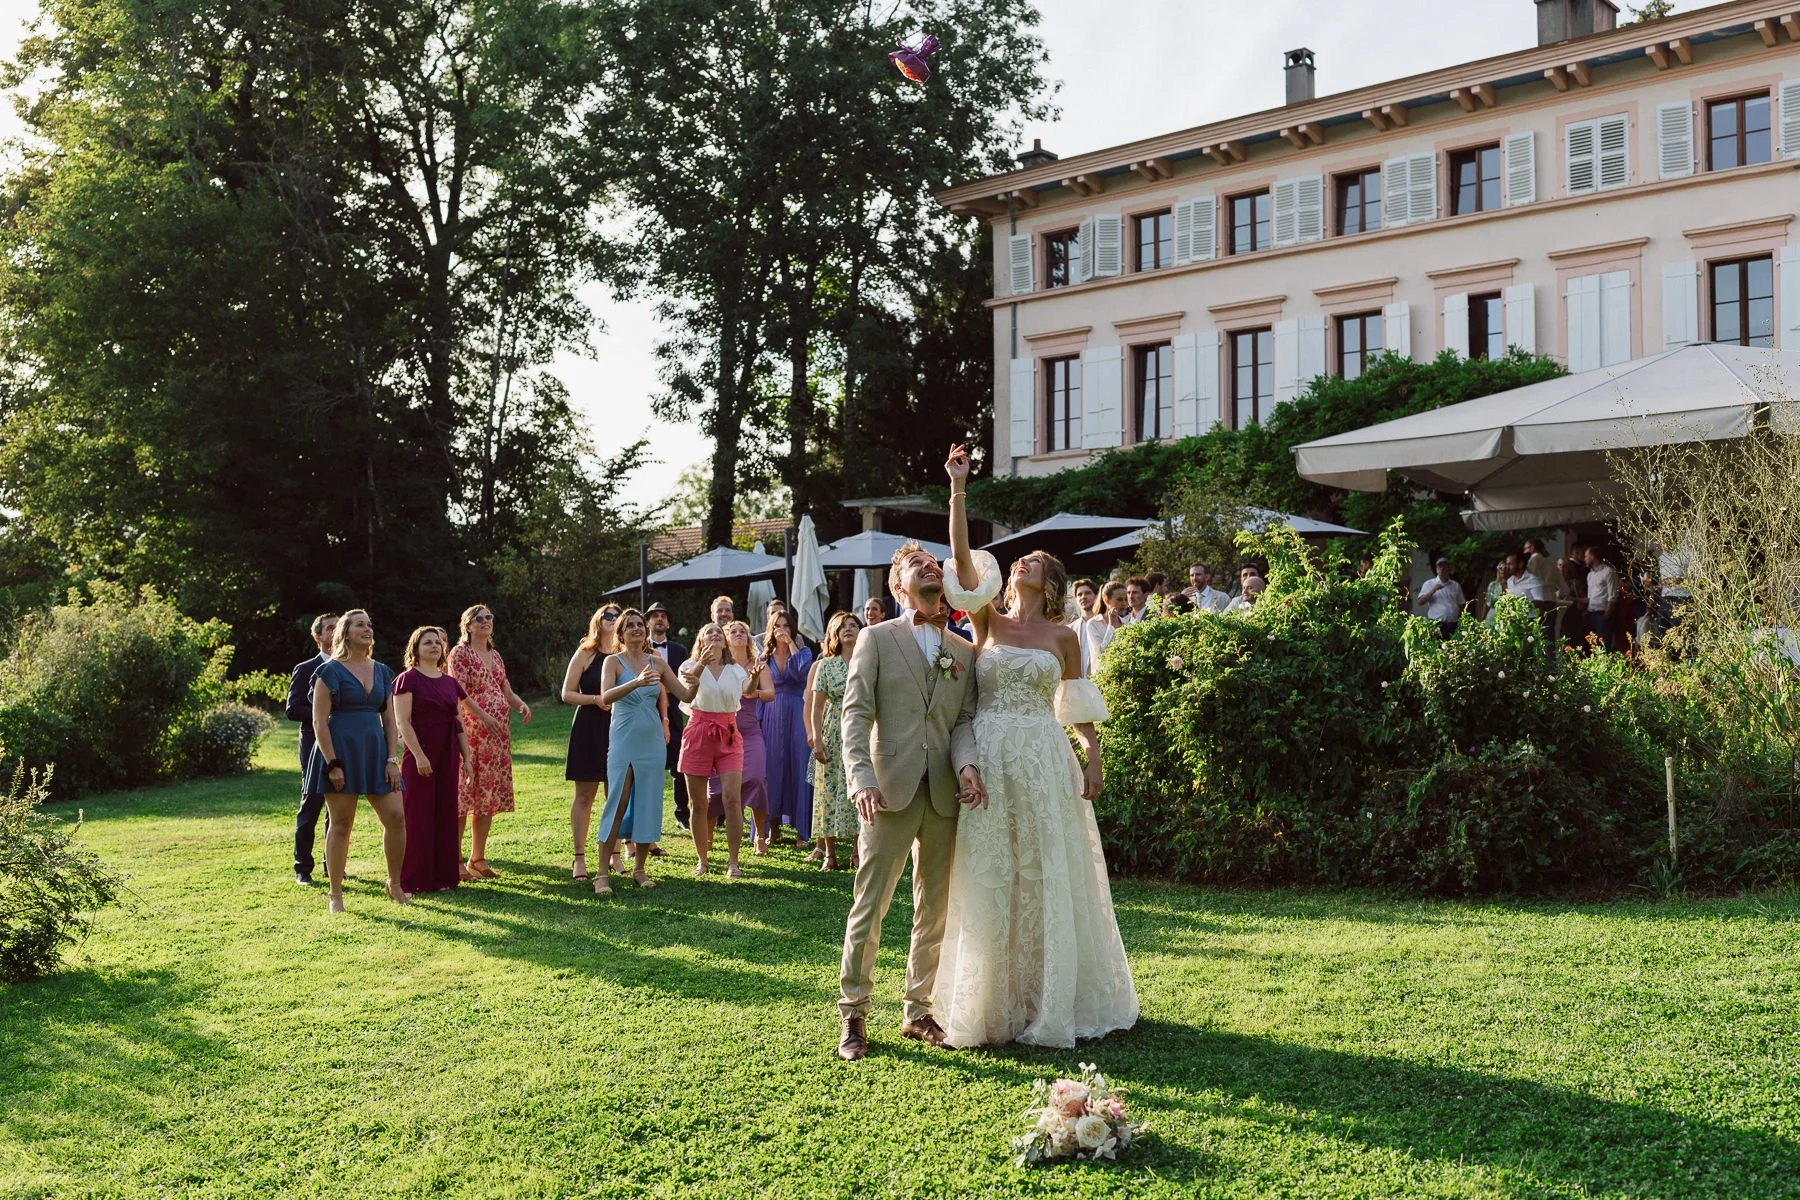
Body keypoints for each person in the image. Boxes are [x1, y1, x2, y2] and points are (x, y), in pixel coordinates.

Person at [937, 443, 1138, 1049]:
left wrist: (1094, 757)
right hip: (992, 755)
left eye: (1031, 562)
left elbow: (1075, 708)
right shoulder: (987, 622)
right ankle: (996, 998)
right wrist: (958, 489)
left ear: (1050, 583)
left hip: (1047, 759)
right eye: (1018, 559)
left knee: (1047, 871)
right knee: (994, 871)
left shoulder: (1063, 637)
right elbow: (964, 563)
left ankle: (1052, 996)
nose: (1019, 562)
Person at [835, 537, 985, 1062]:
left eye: (932, 564)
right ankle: (853, 1014)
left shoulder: (964, 650)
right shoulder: (875, 638)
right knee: (870, 905)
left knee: (934, 909)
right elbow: (854, 716)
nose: (929, 568)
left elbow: (963, 721)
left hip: (944, 794)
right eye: (917, 565)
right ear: (899, 586)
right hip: (886, 791)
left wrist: (967, 766)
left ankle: (918, 1010)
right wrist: (860, 779)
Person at [304, 610, 406, 913]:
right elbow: (319, 721)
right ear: (345, 632)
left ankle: (395, 884)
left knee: (396, 817)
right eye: (360, 624)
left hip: (375, 753)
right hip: (340, 753)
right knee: (342, 823)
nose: (367, 629)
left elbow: (389, 719)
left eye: (370, 624)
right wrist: (332, 763)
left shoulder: (383, 671)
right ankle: (335, 894)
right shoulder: (330, 671)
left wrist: (392, 759)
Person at [594, 608, 695, 895]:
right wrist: (636, 682)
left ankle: (639, 869)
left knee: (648, 802)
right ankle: (601, 873)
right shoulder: (612, 662)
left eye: (640, 625)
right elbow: (605, 696)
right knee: (618, 802)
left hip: (652, 741)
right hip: (624, 739)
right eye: (631, 626)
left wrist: (697, 678)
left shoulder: (657, 662)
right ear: (622, 633)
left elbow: (685, 695)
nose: (638, 629)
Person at [394, 626, 474, 896]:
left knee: (445, 813)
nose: (434, 646)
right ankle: (415, 879)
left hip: (448, 751)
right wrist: (418, 755)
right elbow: (403, 722)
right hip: (420, 753)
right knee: (418, 816)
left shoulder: (450, 682)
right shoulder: (408, 679)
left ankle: (444, 878)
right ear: (415, 649)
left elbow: (459, 720)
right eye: (427, 642)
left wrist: (467, 758)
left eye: (437, 642)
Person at [449, 605, 526, 881]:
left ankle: (477, 858)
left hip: (497, 737)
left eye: (489, 617)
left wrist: (520, 705)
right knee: (465, 795)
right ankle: (455, 860)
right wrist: (483, 716)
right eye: (479, 619)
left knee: (487, 796)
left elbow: (505, 689)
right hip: (471, 733)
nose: (485, 622)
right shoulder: (460, 653)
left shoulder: (495, 655)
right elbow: (457, 693)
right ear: (468, 626)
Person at [698, 620, 774, 867]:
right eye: (733, 631)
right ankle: (707, 837)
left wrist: (754, 692)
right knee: (715, 788)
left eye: (743, 631)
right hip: (718, 731)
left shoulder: (756, 665)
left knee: (756, 779)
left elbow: (770, 693)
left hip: (749, 731)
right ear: (725, 639)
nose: (739, 634)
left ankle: (760, 835)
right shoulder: (721, 666)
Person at [561, 605, 618, 881]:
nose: (613, 619)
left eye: (617, 615)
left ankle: (615, 855)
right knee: (585, 795)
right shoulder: (585, 653)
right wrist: (595, 699)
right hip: (588, 726)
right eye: (608, 615)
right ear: (597, 620)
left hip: (619, 728)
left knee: (616, 795)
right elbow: (566, 693)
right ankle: (579, 858)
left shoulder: (624, 656)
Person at [806, 612, 863, 872]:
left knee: (861, 787)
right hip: (833, 731)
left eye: (854, 625)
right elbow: (816, 707)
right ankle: (829, 853)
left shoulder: (868, 661)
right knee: (828, 790)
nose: (849, 629)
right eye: (843, 626)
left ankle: (857, 851)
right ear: (835, 633)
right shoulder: (826, 665)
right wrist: (817, 738)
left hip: (862, 730)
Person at [285, 612, 337, 885]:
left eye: (339, 626)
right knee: (312, 805)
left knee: (339, 809)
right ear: (318, 637)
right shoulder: (306, 668)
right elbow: (293, 710)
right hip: (314, 745)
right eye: (330, 628)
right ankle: (303, 868)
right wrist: (324, 714)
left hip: (344, 744)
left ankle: (334, 866)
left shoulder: (350, 667)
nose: (336, 630)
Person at [760, 608, 815, 852]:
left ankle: (803, 831)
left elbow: (804, 672)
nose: (781, 629)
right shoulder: (764, 657)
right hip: (771, 714)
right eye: (777, 625)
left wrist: (791, 644)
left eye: (786, 625)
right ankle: (772, 829)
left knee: (799, 768)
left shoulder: (802, 651)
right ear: (771, 630)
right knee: (772, 771)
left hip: (796, 712)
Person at [646, 602, 691, 830]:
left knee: (679, 765)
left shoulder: (679, 650)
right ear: (648, 622)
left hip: (673, 712)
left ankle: (682, 813)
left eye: (663, 616)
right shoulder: (638, 648)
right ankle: (647, 815)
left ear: (669, 622)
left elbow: (683, 682)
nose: (659, 620)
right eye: (655, 616)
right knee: (647, 766)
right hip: (644, 712)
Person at [1082, 580, 1129, 665]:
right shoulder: (1093, 624)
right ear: (1107, 600)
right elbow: (1100, 654)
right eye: (1119, 600)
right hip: (1103, 676)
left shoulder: (1127, 623)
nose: (1124, 604)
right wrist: (1111, 626)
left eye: (1126, 599)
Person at [1418, 558, 1465, 638]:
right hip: (1437, 624)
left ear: (1449, 569)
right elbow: (1420, 602)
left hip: (1453, 624)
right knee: (1437, 648)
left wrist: (1460, 618)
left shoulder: (1455, 585)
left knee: (1453, 649)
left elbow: (1462, 603)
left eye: (1445, 567)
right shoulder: (1429, 584)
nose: (1443, 569)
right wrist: (1433, 590)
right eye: (1440, 567)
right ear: (1437, 569)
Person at [1585, 546, 1620, 652]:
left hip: (1602, 614)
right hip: (1591, 613)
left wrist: (1606, 617)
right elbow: (1589, 598)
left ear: (1592, 556)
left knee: (1603, 645)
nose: (1584, 559)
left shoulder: (1608, 572)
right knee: (1592, 645)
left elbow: (1612, 596)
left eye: (1586, 556)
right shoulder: (1590, 574)